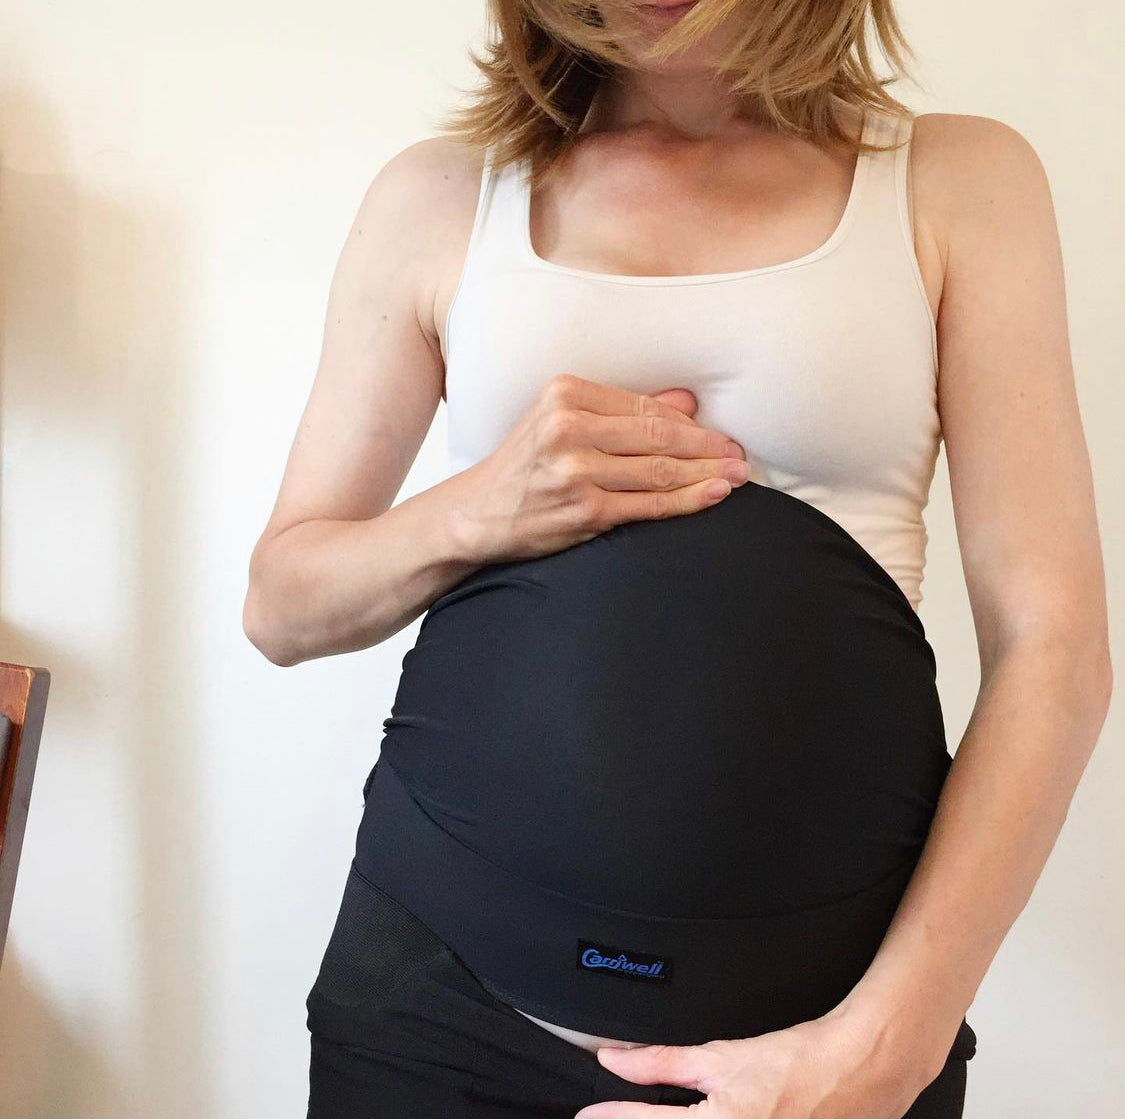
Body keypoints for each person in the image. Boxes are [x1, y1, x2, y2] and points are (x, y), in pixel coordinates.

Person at [242, 2, 1112, 1116]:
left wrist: (886, 1047)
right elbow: (282, 605)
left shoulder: (956, 182)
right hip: (432, 1009)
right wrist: (480, 508)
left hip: (823, 1034)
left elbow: (1056, 646)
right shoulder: (441, 196)